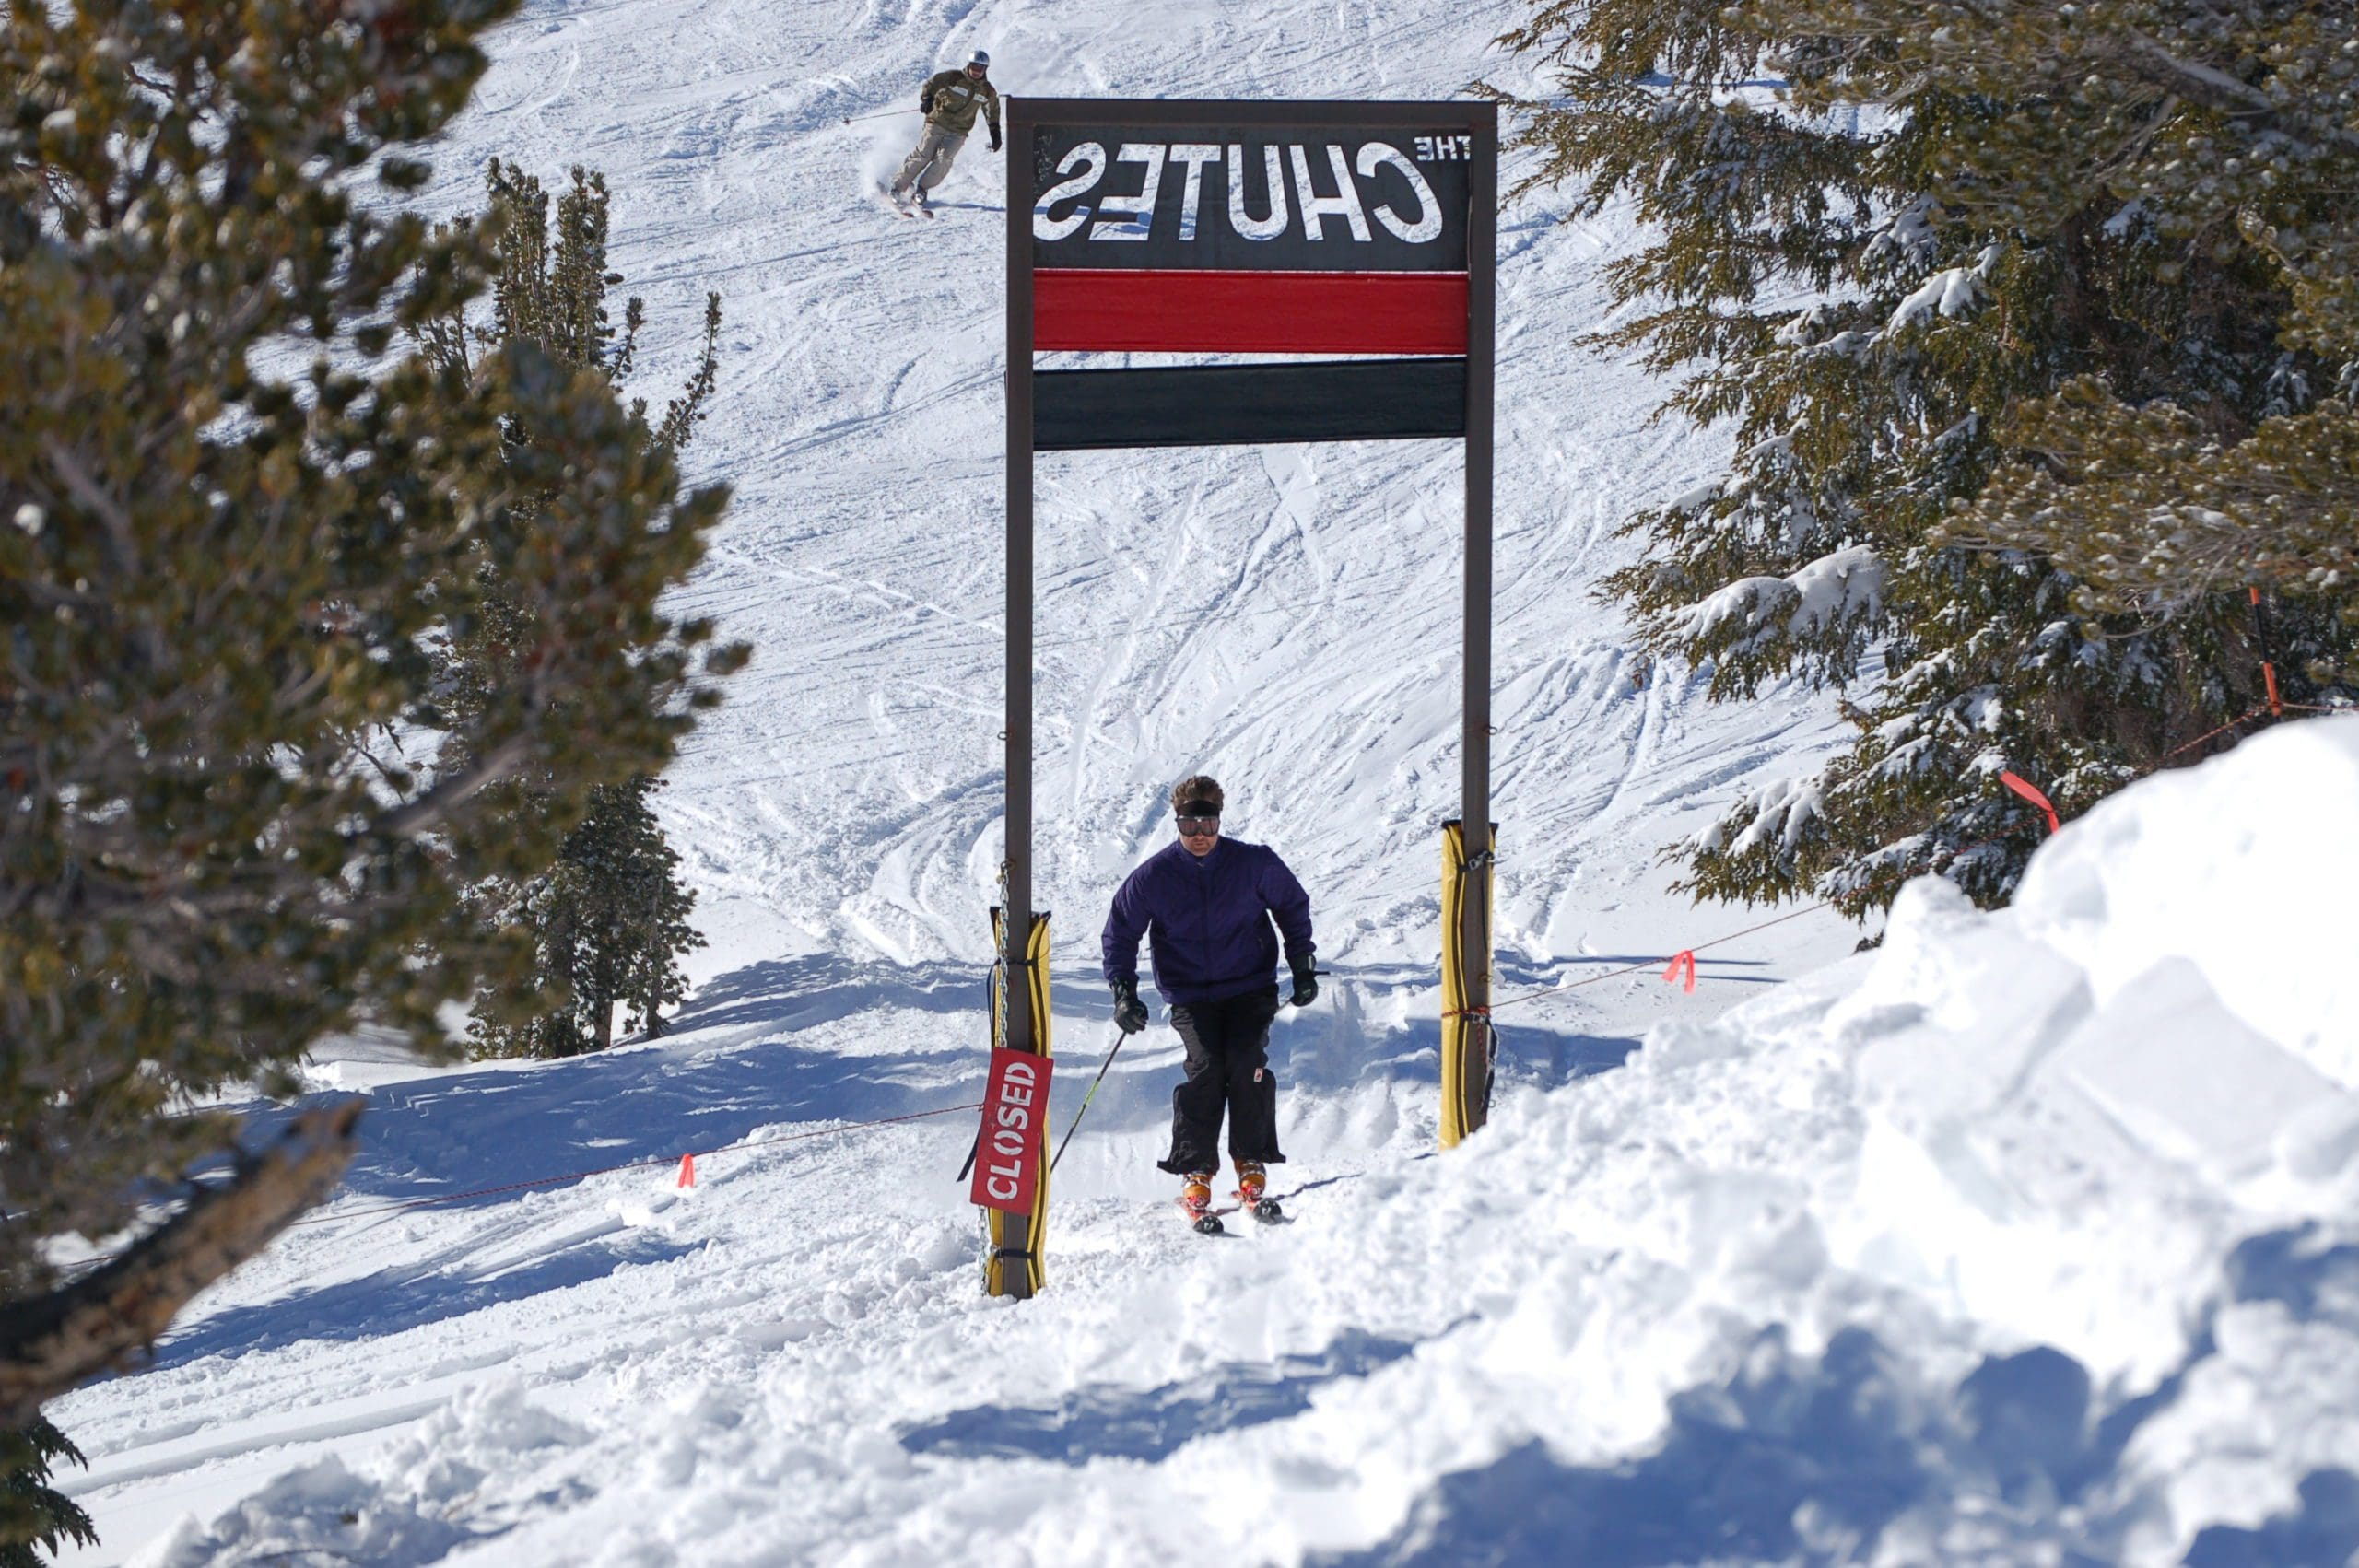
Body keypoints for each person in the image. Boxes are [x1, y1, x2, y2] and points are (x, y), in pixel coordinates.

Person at [1102, 775, 1317, 1222]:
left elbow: (1292, 906)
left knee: (1245, 1059)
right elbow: (1120, 931)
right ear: (1177, 825)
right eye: (1189, 826)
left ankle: (1251, 1159)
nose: (1200, 836)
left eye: (1208, 825)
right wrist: (1123, 991)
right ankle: (1196, 1168)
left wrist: (1301, 965)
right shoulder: (1155, 876)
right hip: (1191, 994)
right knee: (1205, 1067)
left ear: (1220, 822)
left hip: (1250, 986)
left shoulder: (1252, 864)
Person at [888, 49, 1001, 211]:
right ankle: (898, 188)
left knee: (944, 160)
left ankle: (922, 190)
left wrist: (995, 133)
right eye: (974, 68)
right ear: (969, 66)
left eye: (980, 69)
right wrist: (927, 99)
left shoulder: (987, 91)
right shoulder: (954, 77)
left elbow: (993, 111)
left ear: (985, 70)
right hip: (937, 122)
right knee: (924, 155)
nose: (976, 72)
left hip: (959, 131)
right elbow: (932, 84)